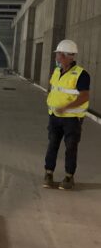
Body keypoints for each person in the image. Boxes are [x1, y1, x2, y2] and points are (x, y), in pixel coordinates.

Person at [43, 39, 90, 190]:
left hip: (72, 120)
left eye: (58, 54)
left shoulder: (81, 74)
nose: (56, 57)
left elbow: (84, 97)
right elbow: (55, 89)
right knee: (52, 145)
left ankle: (69, 177)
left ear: (65, 56)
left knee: (70, 148)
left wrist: (65, 107)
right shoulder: (57, 71)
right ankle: (48, 174)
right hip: (54, 116)